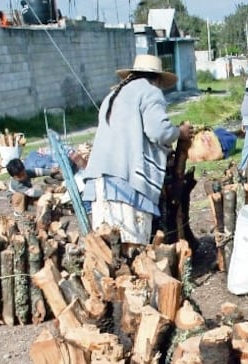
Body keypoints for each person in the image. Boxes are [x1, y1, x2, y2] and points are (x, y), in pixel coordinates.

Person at [82, 54, 193, 245]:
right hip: (125, 180)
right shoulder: (150, 91)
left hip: (100, 177)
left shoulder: (114, 94)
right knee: (132, 245)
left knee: (106, 246)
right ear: (158, 79)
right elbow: (159, 131)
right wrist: (179, 132)